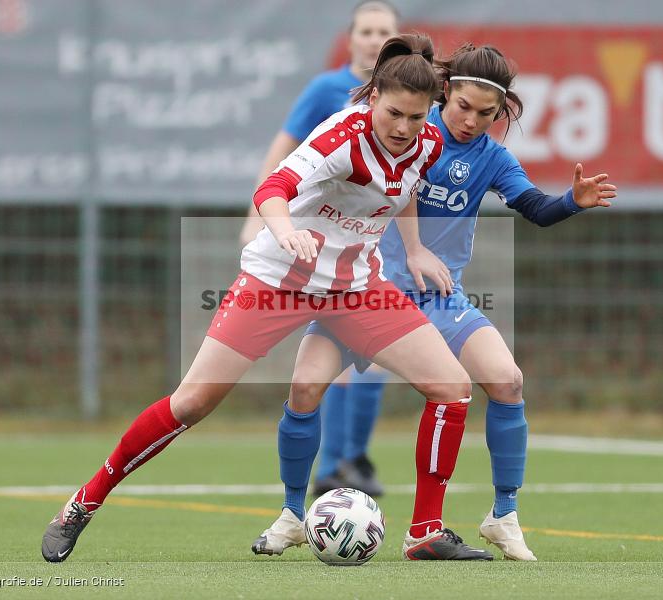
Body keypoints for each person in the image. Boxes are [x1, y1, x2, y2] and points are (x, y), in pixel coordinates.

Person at [42, 33, 492, 563]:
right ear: (372, 98)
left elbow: (406, 188)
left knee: (452, 388)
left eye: (417, 118)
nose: (404, 128)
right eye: (394, 113)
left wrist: (412, 248)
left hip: (355, 288)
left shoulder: (428, 145)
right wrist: (283, 232)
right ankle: (83, 503)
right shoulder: (340, 140)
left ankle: (425, 532)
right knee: (192, 402)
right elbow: (272, 188)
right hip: (278, 281)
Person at [254, 43, 618, 561]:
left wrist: (570, 203)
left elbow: (534, 208)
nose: (471, 121)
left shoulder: (492, 157)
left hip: (439, 299)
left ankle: (500, 515)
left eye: (486, 114)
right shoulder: (410, 135)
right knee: (305, 387)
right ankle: (293, 513)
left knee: (507, 380)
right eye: (463, 106)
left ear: (501, 113)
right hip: (364, 293)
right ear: (445, 93)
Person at [239, 0, 400, 498]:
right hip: (320, 246)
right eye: (367, 31)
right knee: (333, 359)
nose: (375, 40)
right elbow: (282, 148)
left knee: (375, 362)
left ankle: (353, 456)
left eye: (384, 33)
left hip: (377, 241)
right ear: (350, 39)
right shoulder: (327, 91)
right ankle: (331, 466)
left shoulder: (408, 104)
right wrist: (257, 219)